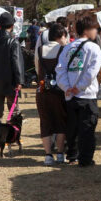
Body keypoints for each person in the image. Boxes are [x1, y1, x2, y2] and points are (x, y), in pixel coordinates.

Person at [56, 15, 101, 167]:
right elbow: (91, 72)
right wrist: (79, 86)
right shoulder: (94, 48)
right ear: (88, 30)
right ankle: (85, 159)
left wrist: (67, 87)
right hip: (86, 94)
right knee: (87, 128)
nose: (96, 31)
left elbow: (60, 70)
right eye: (95, 28)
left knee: (73, 127)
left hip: (70, 95)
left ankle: (73, 155)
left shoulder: (68, 47)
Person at [36, 23, 70, 166]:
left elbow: (38, 70)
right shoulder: (63, 49)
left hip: (42, 90)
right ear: (61, 36)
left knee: (45, 122)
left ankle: (48, 155)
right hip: (58, 91)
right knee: (61, 121)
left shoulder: (39, 49)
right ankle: (60, 154)